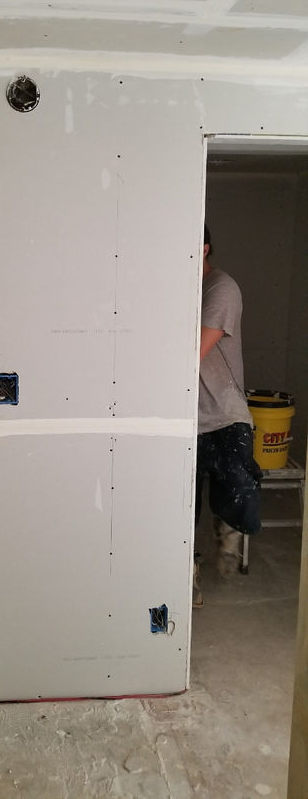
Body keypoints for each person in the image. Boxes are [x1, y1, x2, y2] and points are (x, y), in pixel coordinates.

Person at [194, 225, 262, 607]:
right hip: (184, 419)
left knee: (238, 491)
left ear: (204, 249)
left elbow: (194, 353)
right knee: (180, 509)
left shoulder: (222, 288)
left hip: (223, 414)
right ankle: (186, 573)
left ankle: (229, 533)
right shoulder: (175, 288)